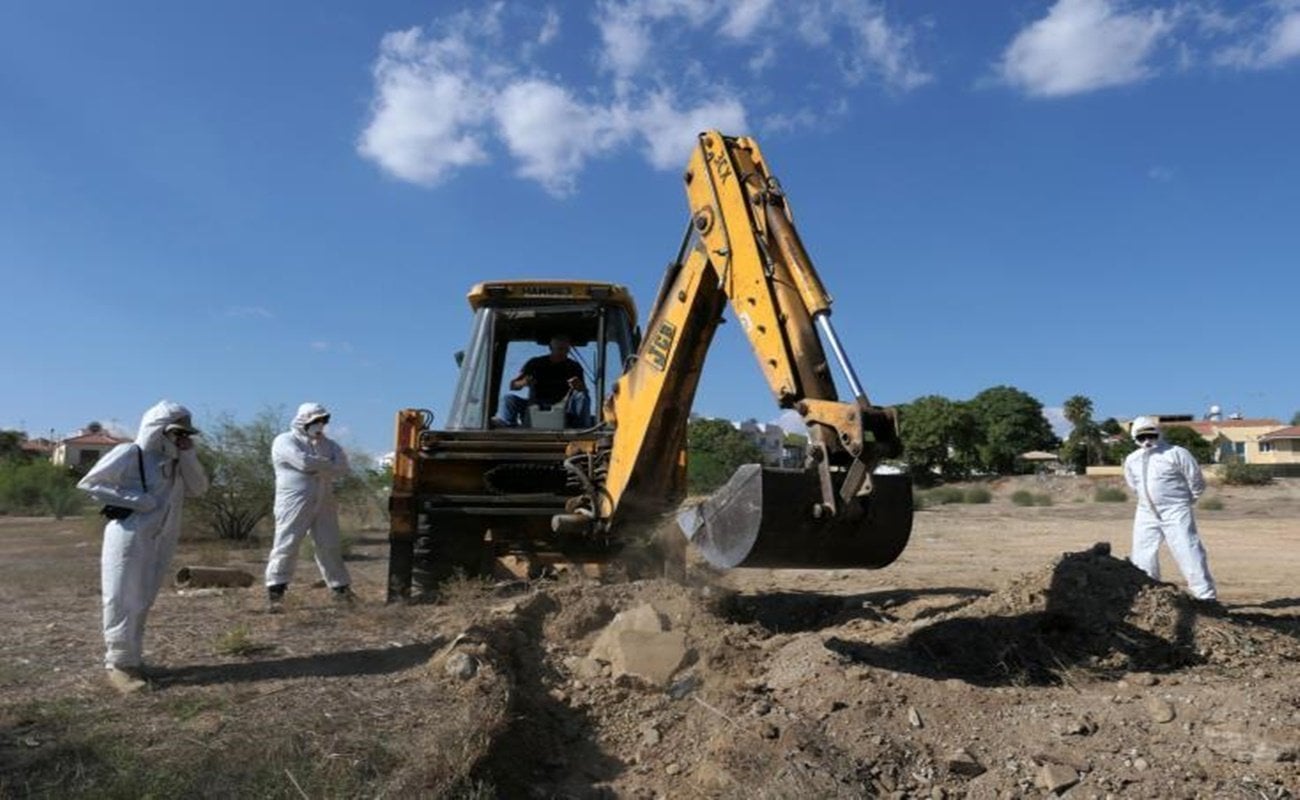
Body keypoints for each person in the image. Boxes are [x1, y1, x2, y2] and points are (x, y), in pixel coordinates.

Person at [77, 400, 208, 693]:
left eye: (184, 433)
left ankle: (132, 660)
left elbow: (199, 488)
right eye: (175, 432)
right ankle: (119, 664)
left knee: (142, 597)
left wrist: (188, 454)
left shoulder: (177, 462)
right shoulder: (130, 453)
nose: (180, 438)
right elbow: (90, 484)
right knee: (122, 596)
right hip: (129, 534)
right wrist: (138, 500)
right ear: (157, 429)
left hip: (162, 536)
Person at [265, 403, 353, 611]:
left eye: (322, 420)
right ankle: (276, 591)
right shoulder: (284, 440)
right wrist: (327, 464)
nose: (319, 424)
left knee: (329, 544)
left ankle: (340, 590)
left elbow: (343, 467)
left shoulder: (329, 444)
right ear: (303, 420)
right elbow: (303, 462)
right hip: (293, 501)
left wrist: (318, 464)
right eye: (315, 420)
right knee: (287, 543)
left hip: (324, 500)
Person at [1123, 416, 1218, 603]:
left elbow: (1196, 481)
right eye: (1141, 437)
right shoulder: (1132, 459)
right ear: (1135, 437)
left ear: (1158, 433)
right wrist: (1147, 501)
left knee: (1188, 550)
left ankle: (1206, 597)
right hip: (1145, 511)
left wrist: (1186, 501)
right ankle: (1149, 594)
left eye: (1151, 435)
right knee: (1142, 554)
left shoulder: (1177, 453)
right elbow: (1133, 484)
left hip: (1176, 510)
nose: (1147, 441)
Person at [494, 333, 591, 428]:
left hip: (564, 407)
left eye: (566, 350)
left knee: (582, 396)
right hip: (535, 404)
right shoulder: (535, 363)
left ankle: (581, 429)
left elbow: (583, 390)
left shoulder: (574, 367)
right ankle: (507, 425)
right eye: (560, 349)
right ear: (551, 348)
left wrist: (578, 385)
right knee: (508, 399)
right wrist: (523, 383)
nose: (563, 352)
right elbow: (513, 385)